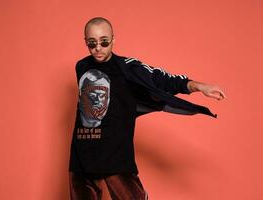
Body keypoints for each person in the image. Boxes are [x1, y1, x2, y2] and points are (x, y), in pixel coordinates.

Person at [68, 17, 225, 200]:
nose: (98, 48)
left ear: (113, 39)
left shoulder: (128, 68)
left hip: (116, 158)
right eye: (91, 43)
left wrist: (199, 86)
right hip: (81, 158)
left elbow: (164, 79)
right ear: (85, 41)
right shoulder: (81, 66)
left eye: (104, 42)